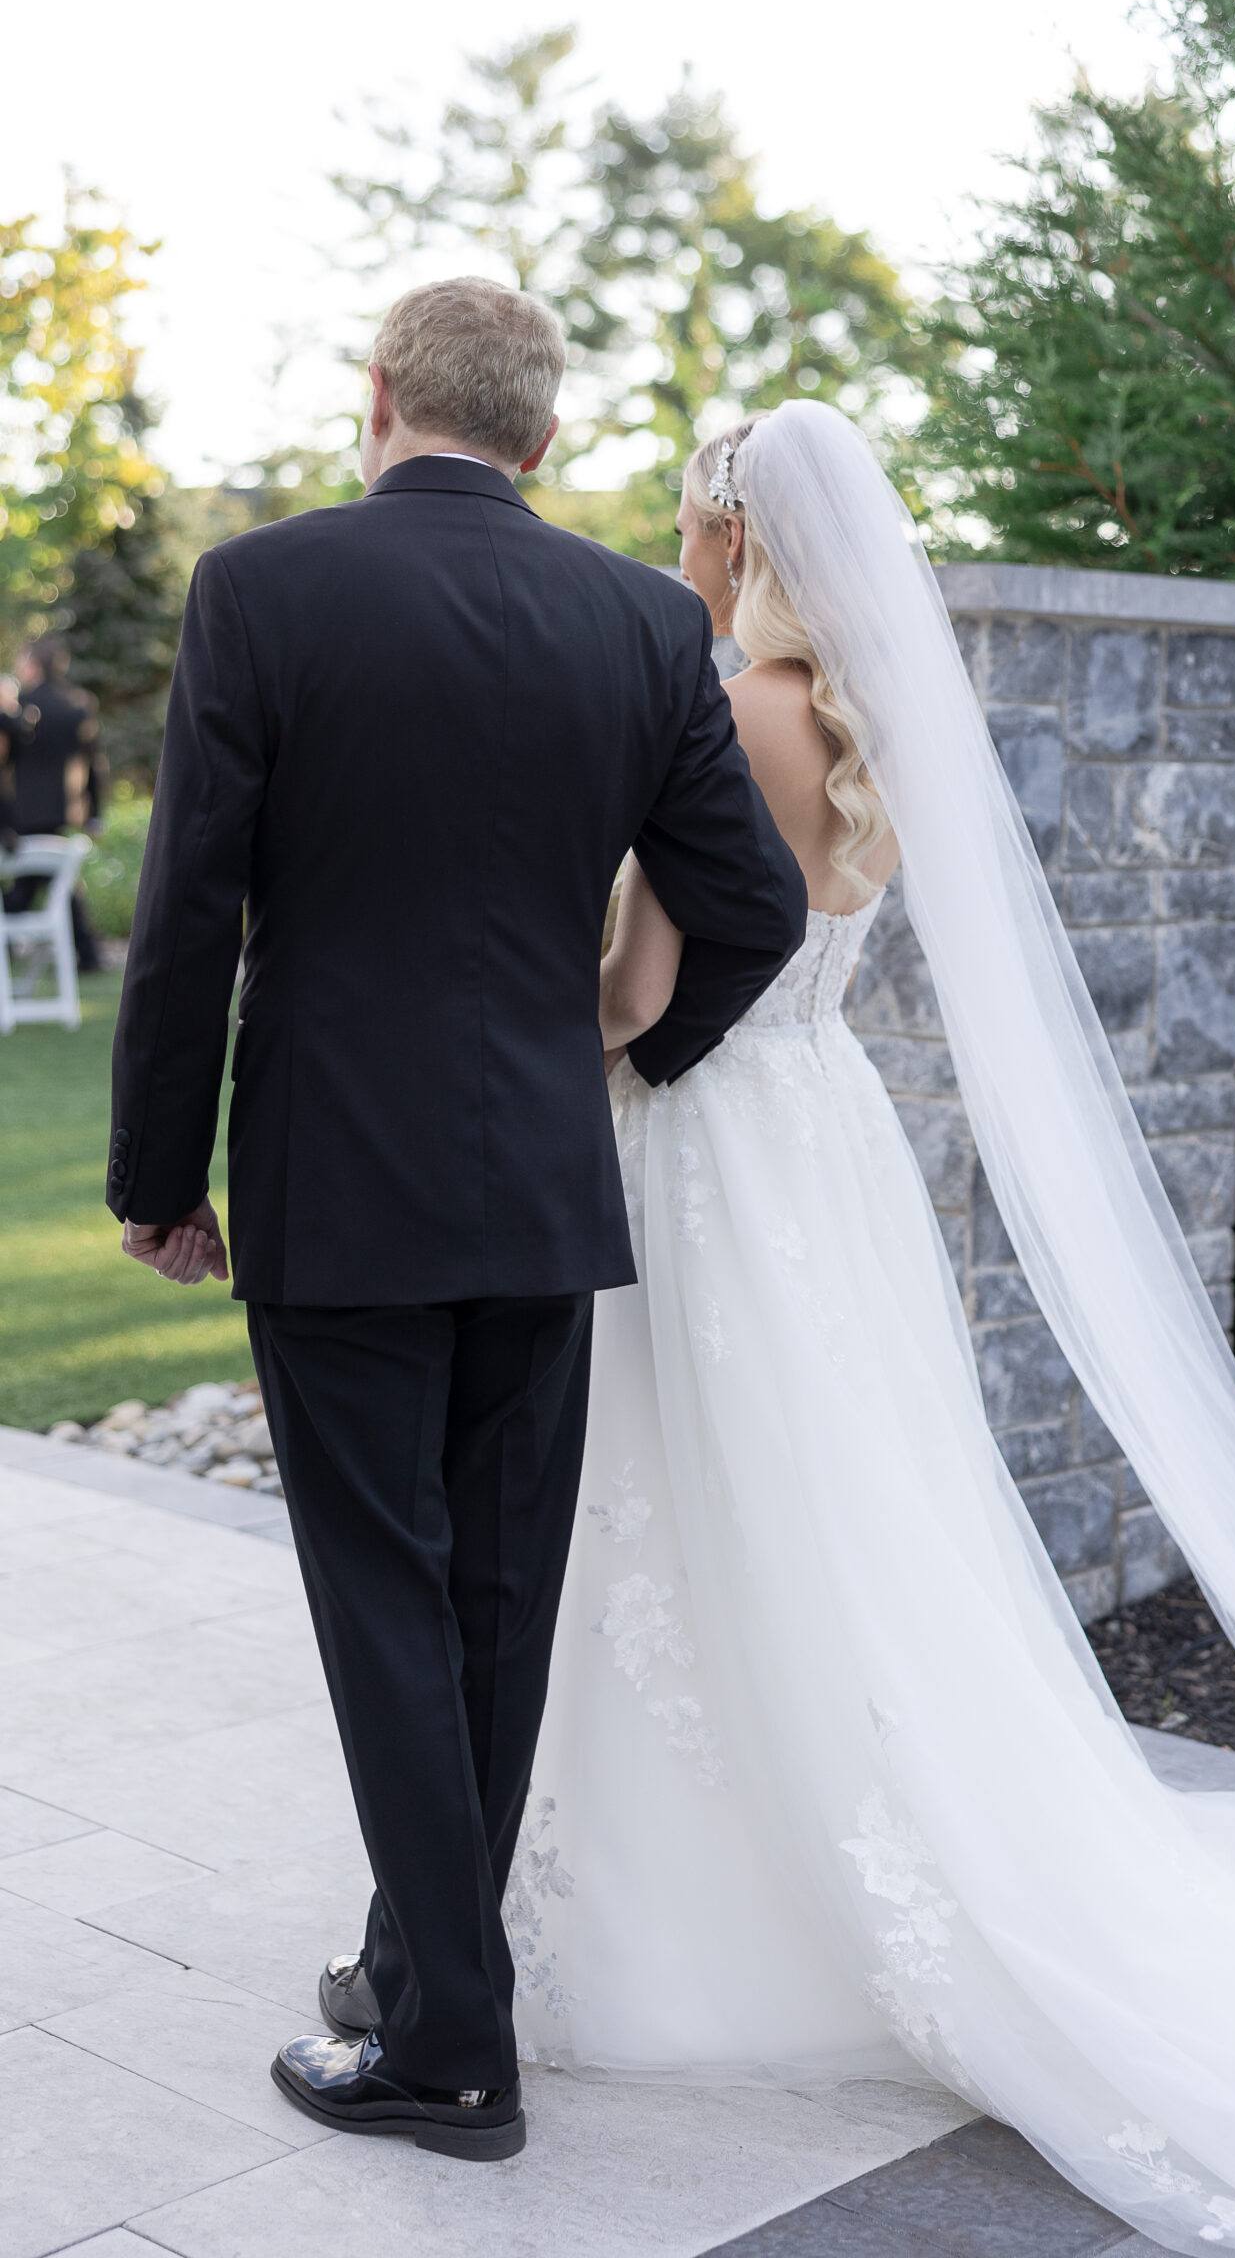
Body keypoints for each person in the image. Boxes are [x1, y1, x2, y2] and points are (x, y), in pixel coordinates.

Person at [486, 404, 1235, 2254]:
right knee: (828, 1531)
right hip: (820, 1147)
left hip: (714, 1149)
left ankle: (702, 1912)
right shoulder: (864, 726)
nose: (683, 552)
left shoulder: (731, 715)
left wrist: (496, 999)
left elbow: (647, 996)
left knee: (701, 1504)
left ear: (739, 538)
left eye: (693, 525)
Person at [106, 277, 806, 2162]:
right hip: (540, 1187)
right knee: (492, 1607)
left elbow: (183, 918)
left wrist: (157, 1183)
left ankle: (447, 2051)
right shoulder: (645, 617)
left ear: (377, 397)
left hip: (339, 1177)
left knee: (384, 1603)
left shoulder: (261, 590)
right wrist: (633, 1062)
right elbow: (750, 909)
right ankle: (425, 1973)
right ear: (544, 439)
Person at [0, 639, 107, 969]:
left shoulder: (22, 707)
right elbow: (94, 762)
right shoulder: (77, 703)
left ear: (33, 664)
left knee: (33, 886)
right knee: (53, 884)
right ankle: (87, 954)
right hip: (65, 809)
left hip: (25, 813)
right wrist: (95, 812)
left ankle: (87, 954)